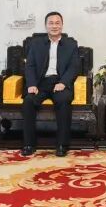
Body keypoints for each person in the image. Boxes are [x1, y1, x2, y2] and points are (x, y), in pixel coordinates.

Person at [21, 11, 79, 157]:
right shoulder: (36, 44)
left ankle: (62, 145)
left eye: (57, 23)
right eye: (51, 23)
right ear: (46, 26)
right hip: (40, 83)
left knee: (64, 100)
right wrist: (31, 84)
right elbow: (30, 66)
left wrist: (63, 82)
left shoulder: (71, 45)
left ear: (62, 25)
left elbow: (74, 67)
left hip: (60, 82)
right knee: (28, 101)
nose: (54, 26)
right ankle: (29, 144)